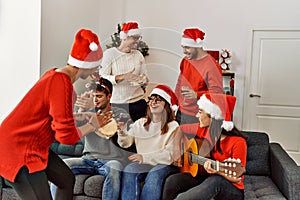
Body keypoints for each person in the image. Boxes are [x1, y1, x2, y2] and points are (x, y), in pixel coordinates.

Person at [0, 28, 103, 200]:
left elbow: (49, 116)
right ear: (88, 63)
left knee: (66, 179)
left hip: (34, 146)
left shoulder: (57, 76)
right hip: (19, 149)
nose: (97, 70)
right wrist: (93, 126)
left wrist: (77, 117)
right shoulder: (60, 83)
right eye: (96, 65)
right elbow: (66, 138)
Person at [50, 77, 134, 200]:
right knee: (59, 169)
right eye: (94, 96)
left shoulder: (121, 114)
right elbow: (67, 126)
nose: (95, 100)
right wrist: (81, 110)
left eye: (99, 96)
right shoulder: (87, 113)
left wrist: (93, 116)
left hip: (111, 160)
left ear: (109, 96)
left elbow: (112, 131)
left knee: (114, 170)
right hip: (88, 159)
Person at [162, 93, 248, 200]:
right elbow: (180, 129)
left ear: (212, 117)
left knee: (215, 181)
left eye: (200, 112)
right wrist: (176, 150)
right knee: (172, 181)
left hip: (231, 188)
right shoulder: (204, 130)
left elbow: (237, 179)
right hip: (207, 177)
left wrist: (218, 171)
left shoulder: (238, 142)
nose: (197, 116)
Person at [117, 84, 182, 200]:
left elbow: (169, 155)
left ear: (166, 105)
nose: (153, 102)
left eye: (158, 100)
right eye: (151, 99)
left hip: (164, 164)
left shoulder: (173, 126)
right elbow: (126, 143)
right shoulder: (140, 123)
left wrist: (144, 157)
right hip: (145, 163)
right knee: (129, 169)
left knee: (154, 175)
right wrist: (121, 131)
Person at [99, 21, 149, 122]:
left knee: (139, 135)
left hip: (139, 103)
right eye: (135, 38)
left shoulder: (138, 54)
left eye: (139, 38)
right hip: (118, 104)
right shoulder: (110, 54)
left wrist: (143, 80)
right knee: (119, 136)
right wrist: (122, 77)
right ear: (124, 37)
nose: (137, 41)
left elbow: (145, 77)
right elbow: (102, 78)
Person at [175, 28, 223, 127]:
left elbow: (217, 93)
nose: (184, 51)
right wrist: (175, 104)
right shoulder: (185, 61)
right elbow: (179, 83)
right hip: (181, 112)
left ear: (197, 47)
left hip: (198, 116)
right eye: (183, 47)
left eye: (187, 47)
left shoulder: (212, 66)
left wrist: (197, 95)